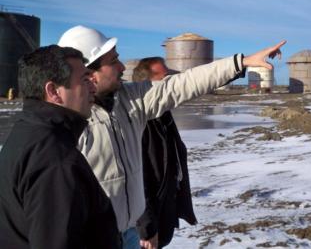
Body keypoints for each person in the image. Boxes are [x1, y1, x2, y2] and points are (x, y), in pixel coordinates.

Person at [57, 25, 285, 249]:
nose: (121, 66)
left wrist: (240, 62)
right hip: (94, 239)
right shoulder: (66, 124)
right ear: (89, 74)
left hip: (129, 234)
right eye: (113, 61)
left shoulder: (130, 100)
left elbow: (184, 83)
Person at [0, 45, 121, 249]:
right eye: (84, 79)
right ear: (54, 91)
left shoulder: (27, 131)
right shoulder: (56, 161)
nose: (93, 86)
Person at [132, 57, 194, 249]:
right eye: (165, 76)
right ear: (149, 84)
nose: (172, 81)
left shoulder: (164, 115)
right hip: (146, 223)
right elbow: (137, 180)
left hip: (165, 208)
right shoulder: (139, 122)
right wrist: (146, 228)